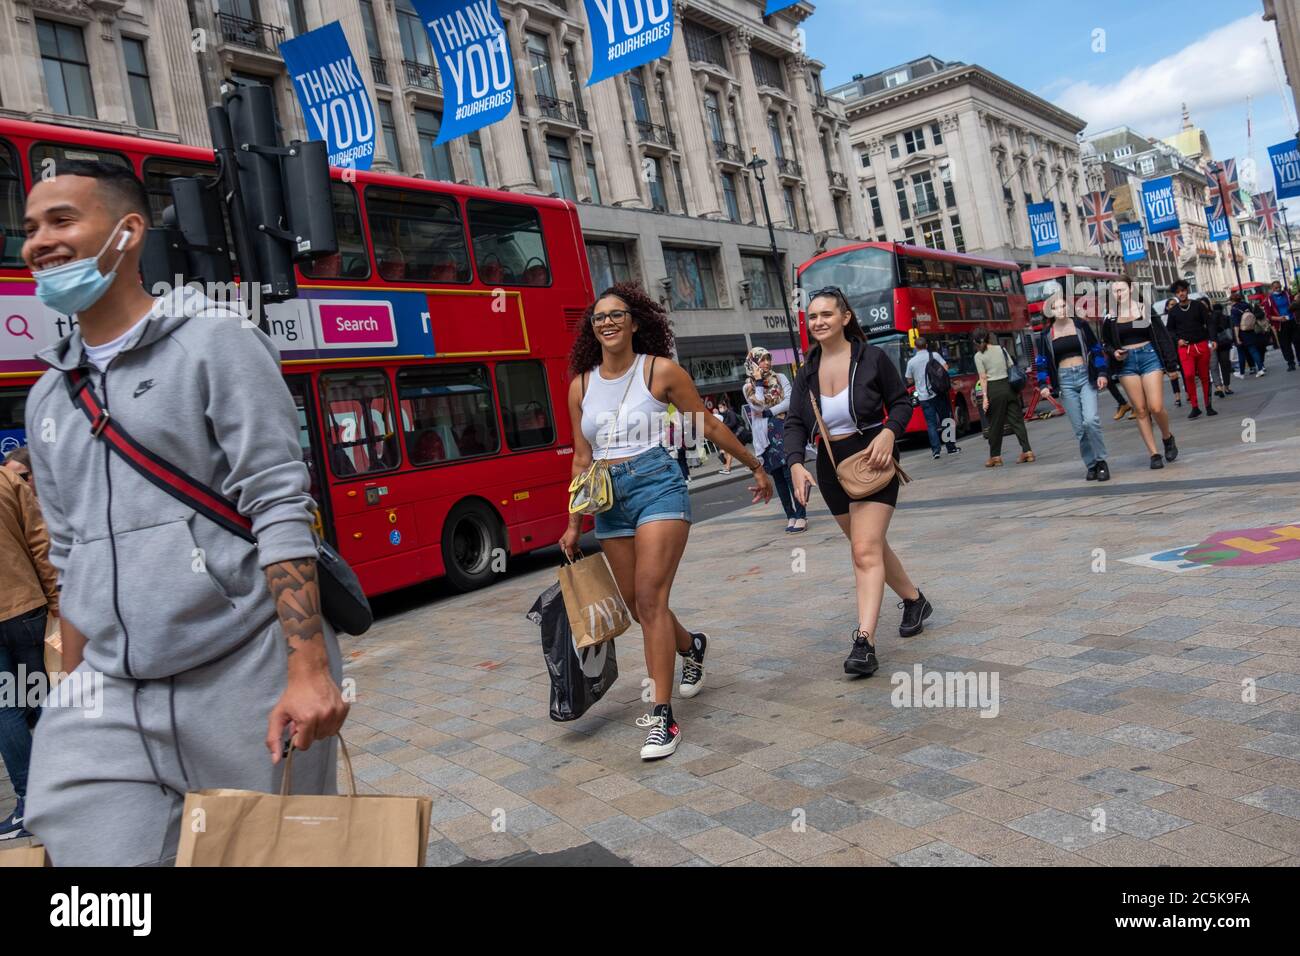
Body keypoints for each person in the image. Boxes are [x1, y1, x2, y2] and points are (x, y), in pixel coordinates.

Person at [20, 161, 348, 865]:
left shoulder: (214, 341)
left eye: (62, 220)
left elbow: (278, 502)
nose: (39, 241)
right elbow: (71, 557)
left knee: (268, 858)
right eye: (30, 228)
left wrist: (308, 670)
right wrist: (74, 688)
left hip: (241, 673)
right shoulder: (49, 397)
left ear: (128, 232)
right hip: (110, 694)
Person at [559, 282, 772, 760]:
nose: (607, 322)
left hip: (657, 484)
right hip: (608, 498)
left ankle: (661, 716)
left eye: (617, 315)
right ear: (591, 329)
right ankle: (691, 646)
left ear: (636, 322)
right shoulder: (581, 386)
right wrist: (573, 523)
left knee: (652, 598)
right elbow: (580, 457)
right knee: (637, 606)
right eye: (599, 318)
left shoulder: (661, 371)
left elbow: (709, 426)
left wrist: (755, 465)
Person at [784, 287, 932, 677]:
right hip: (832, 468)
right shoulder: (808, 371)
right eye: (812, 316)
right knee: (871, 546)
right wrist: (796, 463)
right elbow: (796, 422)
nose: (818, 322)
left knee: (864, 551)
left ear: (845, 317)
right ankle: (915, 600)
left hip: (874, 459)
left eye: (826, 314)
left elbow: (902, 401)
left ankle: (864, 642)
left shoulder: (873, 359)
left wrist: (889, 433)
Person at [0, 465, 59, 841]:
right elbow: (41, 542)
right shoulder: (7, 481)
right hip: (25, 610)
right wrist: (56, 603)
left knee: (7, 708)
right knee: (43, 700)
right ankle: (67, 790)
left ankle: (28, 802)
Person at [1101, 277, 1180, 470]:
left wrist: (1171, 366)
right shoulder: (1110, 315)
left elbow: (1162, 335)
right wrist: (1114, 353)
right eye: (1115, 291)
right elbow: (1105, 342)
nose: (1118, 295)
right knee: (1141, 410)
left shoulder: (1144, 308)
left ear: (1131, 289)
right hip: (1126, 363)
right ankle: (1154, 453)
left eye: (1121, 290)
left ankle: (1167, 437)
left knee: (1156, 406)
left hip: (1149, 356)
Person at [1035, 290, 1111, 481]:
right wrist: (1043, 384)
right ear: (1050, 311)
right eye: (1056, 307)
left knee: (1091, 420)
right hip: (1065, 381)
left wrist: (1102, 373)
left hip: (1085, 376)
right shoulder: (1046, 335)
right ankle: (1091, 465)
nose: (1060, 310)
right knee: (1079, 429)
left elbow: (1096, 349)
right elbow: (1042, 361)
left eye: (1063, 306)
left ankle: (1102, 461)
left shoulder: (1080, 326)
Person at [743, 346, 805, 533]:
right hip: (765, 436)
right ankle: (790, 516)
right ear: (753, 363)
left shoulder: (780, 378)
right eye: (762, 360)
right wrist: (760, 384)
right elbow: (758, 406)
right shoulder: (748, 387)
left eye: (768, 359)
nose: (767, 363)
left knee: (789, 473)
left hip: (784, 429)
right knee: (778, 476)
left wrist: (771, 411)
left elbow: (790, 400)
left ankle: (801, 515)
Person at [973, 329, 1033, 467]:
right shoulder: (1001, 349)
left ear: (975, 342)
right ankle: (1027, 451)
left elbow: (983, 378)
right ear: (989, 337)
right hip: (1008, 387)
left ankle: (995, 456)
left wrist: (985, 397)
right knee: (1017, 421)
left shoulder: (978, 356)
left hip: (994, 390)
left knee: (995, 424)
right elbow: (1011, 366)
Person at [904, 335, 960, 460]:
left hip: (924, 397)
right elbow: (946, 368)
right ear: (926, 345)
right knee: (946, 419)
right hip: (939, 393)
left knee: (931, 424)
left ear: (915, 347)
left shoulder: (911, 362)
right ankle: (951, 448)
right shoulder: (934, 355)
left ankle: (936, 451)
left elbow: (908, 379)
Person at [1165, 281, 1216, 417]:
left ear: (1187, 291)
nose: (1181, 293)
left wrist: (1213, 339)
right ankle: (1194, 406)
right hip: (1185, 348)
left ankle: (1208, 405)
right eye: (1178, 292)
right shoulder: (1173, 311)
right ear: (1175, 294)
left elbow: (1209, 322)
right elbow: (1170, 330)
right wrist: (1178, 340)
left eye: (1183, 290)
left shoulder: (1198, 306)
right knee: (1188, 375)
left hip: (1201, 344)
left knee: (1205, 375)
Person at [1230, 293, 1265, 377]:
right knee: (1254, 350)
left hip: (1242, 332)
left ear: (1232, 300)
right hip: (1250, 330)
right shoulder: (1247, 305)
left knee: (1241, 353)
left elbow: (1236, 325)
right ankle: (1261, 368)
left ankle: (1241, 373)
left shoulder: (1234, 309)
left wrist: (1237, 337)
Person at [1265, 280, 1297, 371]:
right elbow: (1268, 315)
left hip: (1292, 321)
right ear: (1272, 288)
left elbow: (1294, 304)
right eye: (1276, 288)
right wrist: (1278, 318)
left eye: (1279, 287)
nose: (1278, 289)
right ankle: (1290, 363)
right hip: (1280, 324)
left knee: (1297, 341)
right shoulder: (1269, 300)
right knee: (1285, 344)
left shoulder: (1286, 295)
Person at [1208, 302, 1235, 398]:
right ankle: (1222, 387)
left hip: (1220, 343)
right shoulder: (1199, 318)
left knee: (1222, 365)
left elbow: (1224, 326)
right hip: (1216, 344)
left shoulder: (1215, 315)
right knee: (1217, 365)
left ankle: (1224, 387)